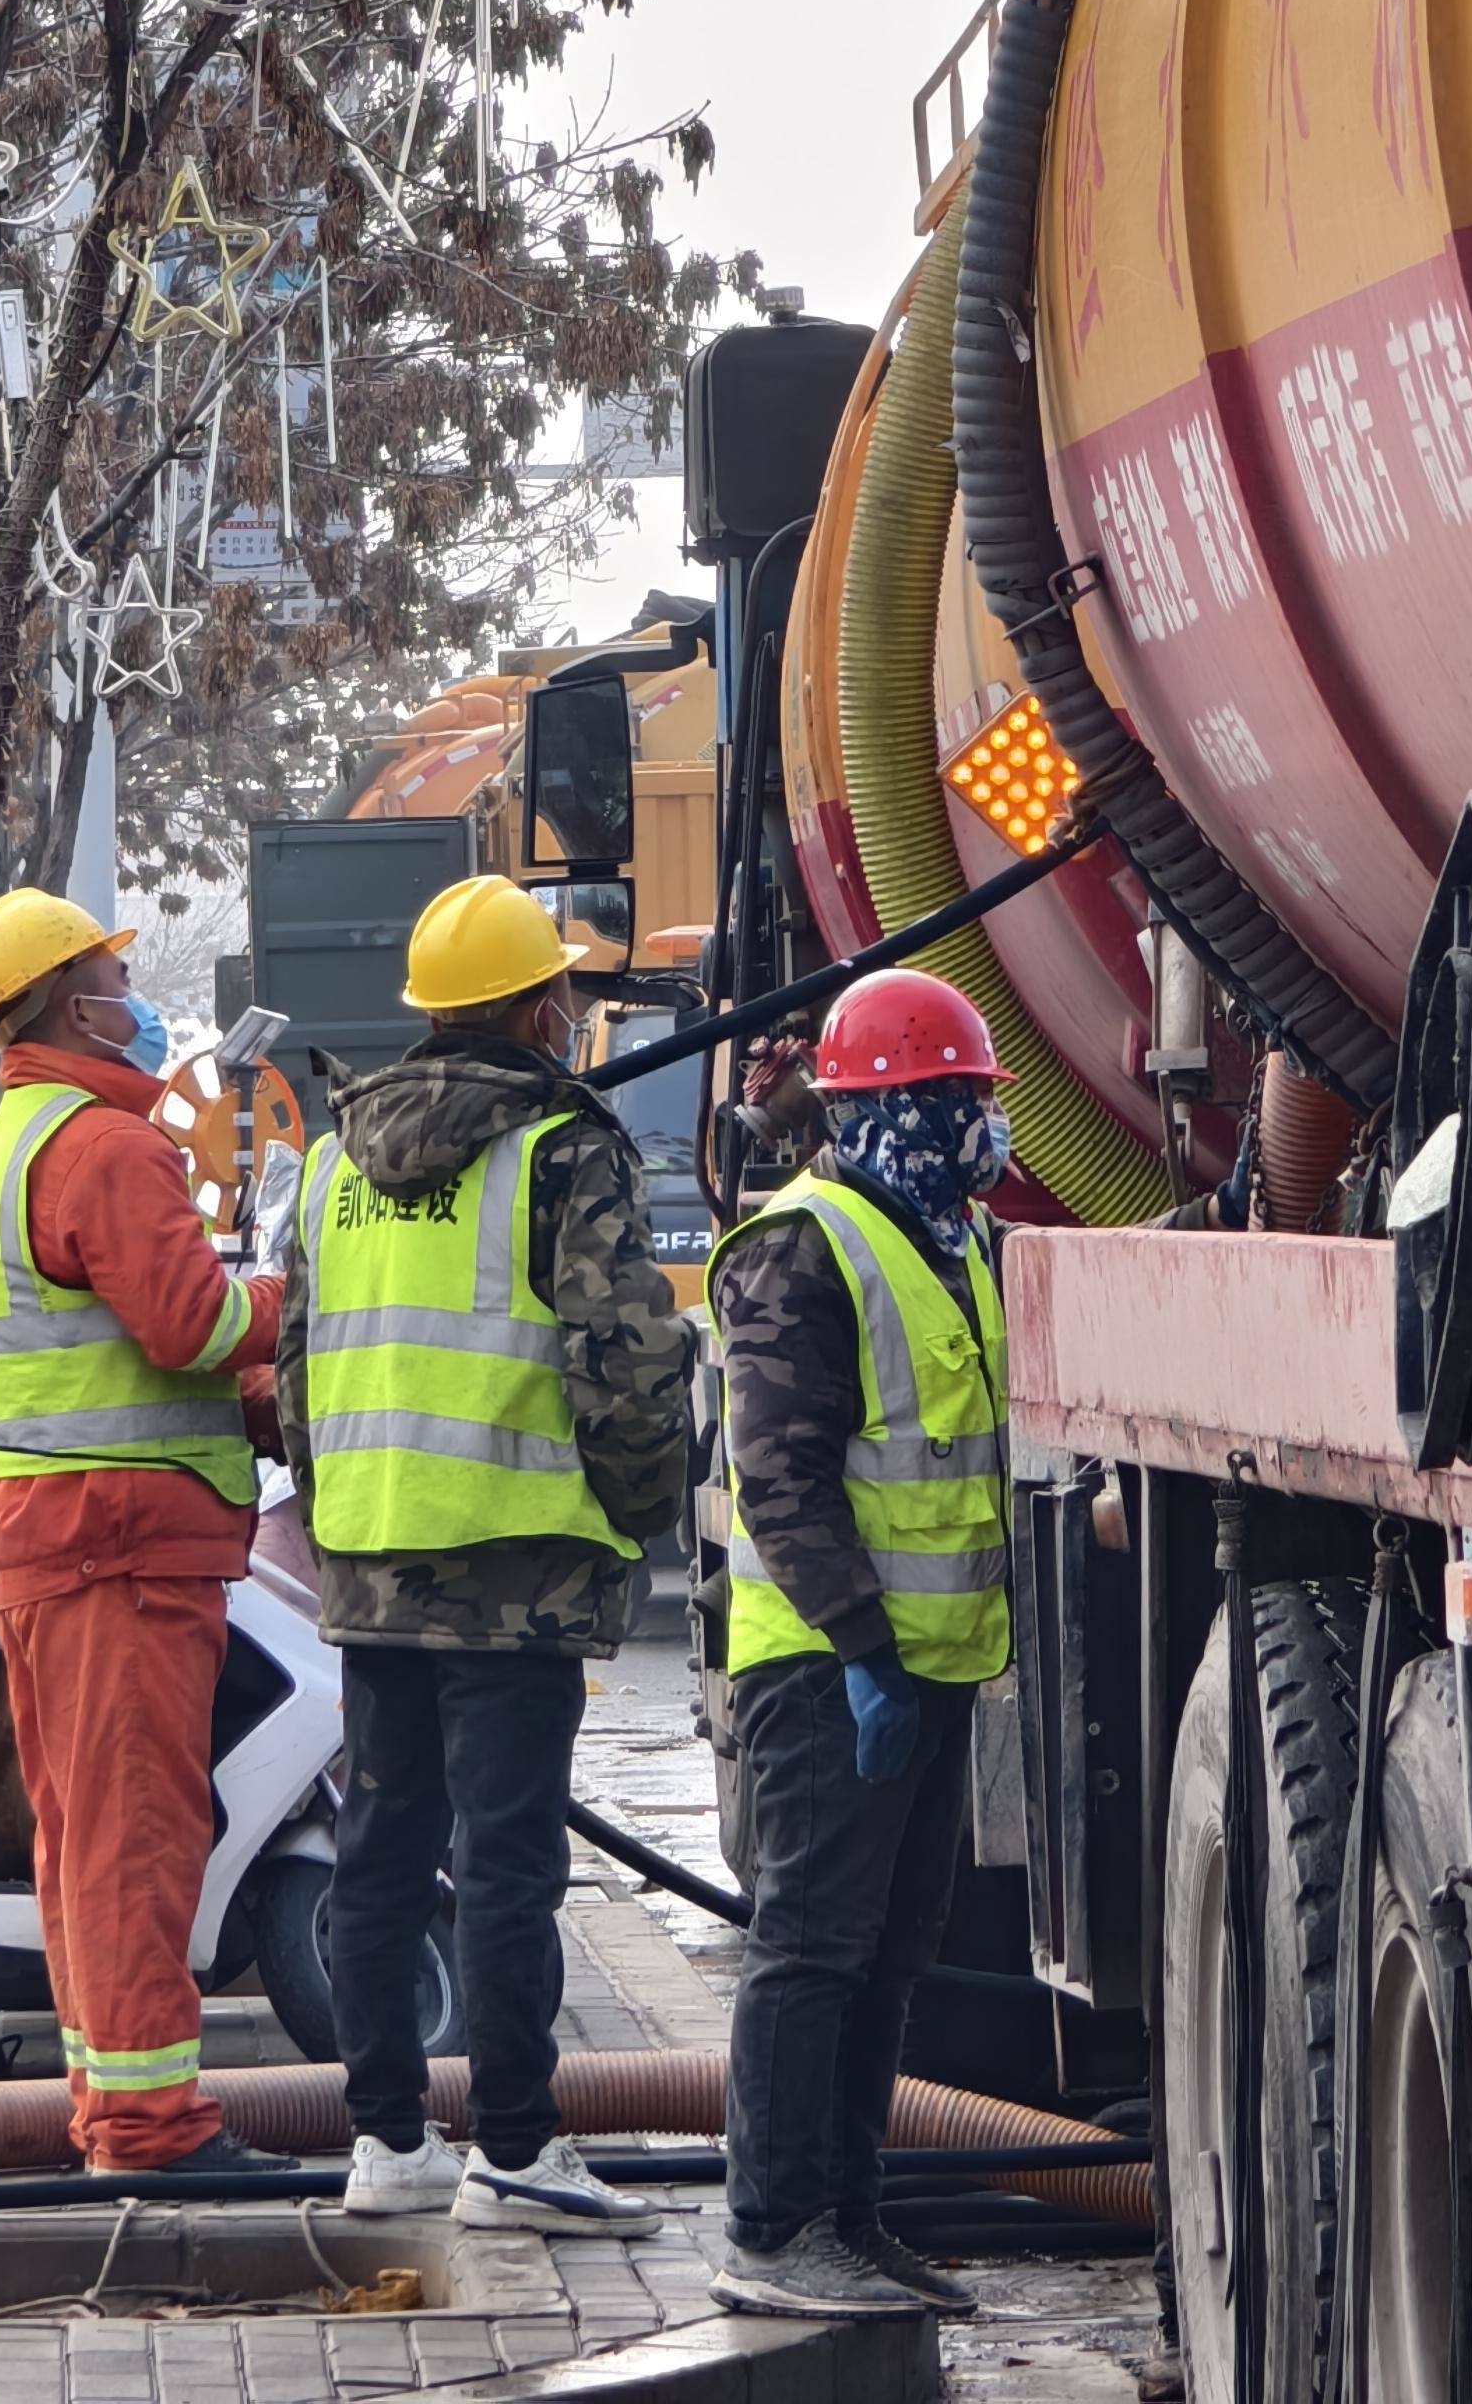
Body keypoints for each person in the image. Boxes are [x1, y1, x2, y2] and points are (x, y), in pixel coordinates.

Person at [276, 872, 694, 2235]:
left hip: (373, 1560)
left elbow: (295, 1367)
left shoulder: (333, 1160)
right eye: (562, 992)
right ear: (537, 1009)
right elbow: (625, 1360)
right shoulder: (564, 1150)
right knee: (509, 1862)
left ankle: (387, 2141)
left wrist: (345, 1511)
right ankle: (516, 2142)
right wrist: (640, 1513)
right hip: (521, 1571)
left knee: (380, 1857)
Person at [0, 885, 286, 2177]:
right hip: (121, 1552)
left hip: (61, 1540)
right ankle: (149, 2130)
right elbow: (189, 1326)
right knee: (136, 1837)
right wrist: (284, 1299)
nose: (130, 998)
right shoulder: (104, 1145)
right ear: (72, 1002)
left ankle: (116, 2109)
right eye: (110, 975)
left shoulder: (28, 1139)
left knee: (87, 1837)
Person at [702, 967, 1017, 2322]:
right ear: (878, 1114)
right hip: (832, 1670)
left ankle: (851, 2212)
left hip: (923, 1671)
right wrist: (864, 1652)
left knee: (889, 1954)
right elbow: (781, 1478)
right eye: (944, 1103)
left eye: (974, 1100)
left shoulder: (952, 1242)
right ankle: (774, 2232)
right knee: (814, 1946)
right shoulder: (805, 1246)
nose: (972, 1128)